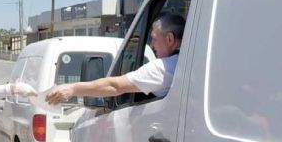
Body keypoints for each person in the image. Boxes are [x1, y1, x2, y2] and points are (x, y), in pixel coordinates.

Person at [46, 13, 186, 105]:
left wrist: (72, 88)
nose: (152, 45)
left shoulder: (162, 68)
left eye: (154, 39)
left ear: (169, 39)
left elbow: (114, 86)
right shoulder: (189, 65)